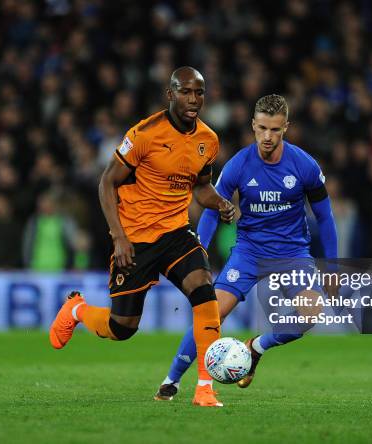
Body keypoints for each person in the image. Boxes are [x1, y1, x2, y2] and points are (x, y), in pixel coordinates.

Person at [49, 67, 235, 407]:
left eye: (199, 93)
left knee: (205, 293)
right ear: (170, 94)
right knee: (122, 328)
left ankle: (205, 389)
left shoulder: (208, 140)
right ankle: (76, 310)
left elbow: (202, 188)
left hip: (177, 232)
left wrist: (220, 203)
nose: (194, 99)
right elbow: (107, 182)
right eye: (186, 92)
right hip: (135, 239)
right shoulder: (145, 133)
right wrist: (118, 237)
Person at [155, 94, 338, 400]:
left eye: (275, 130)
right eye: (263, 128)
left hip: (292, 253)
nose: (268, 136)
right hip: (249, 251)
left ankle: (257, 347)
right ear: (253, 125)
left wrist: (332, 265)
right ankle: (171, 379)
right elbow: (212, 209)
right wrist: (199, 248)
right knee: (210, 313)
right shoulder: (238, 165)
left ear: (286, 128)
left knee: (310, 314)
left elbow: (325, 216)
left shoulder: (304, 165)